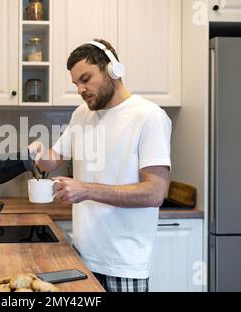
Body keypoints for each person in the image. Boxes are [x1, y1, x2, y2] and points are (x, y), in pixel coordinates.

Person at [28, 39, 172, 292]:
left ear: (112, 69)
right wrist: (39, 151)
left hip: (123, 264)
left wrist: (86, 190)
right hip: (82, 256)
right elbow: (54, 160)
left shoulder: (149, 117)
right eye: (76, 84)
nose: (81, 89)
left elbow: (155, 193)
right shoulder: (82, 115)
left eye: (86, 78)